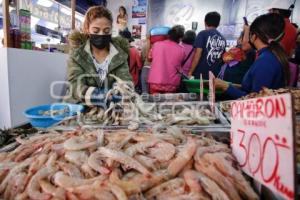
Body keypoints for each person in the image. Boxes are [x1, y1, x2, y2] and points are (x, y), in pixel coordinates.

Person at [64, 6, 131, 106]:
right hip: (80, 109)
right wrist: (100, 96)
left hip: (110, 110)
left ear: (111, 29)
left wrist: (120, 93)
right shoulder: (77, 55)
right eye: (96, 31)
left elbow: (126, 82)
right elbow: (75, 85)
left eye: (106, 31)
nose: (101, 34)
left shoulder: (119, 55)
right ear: (87, 29)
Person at [215, 13, 290, 99]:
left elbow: (255, 101)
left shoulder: (265, 61)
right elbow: (250, 89)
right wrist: (226, 84)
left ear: (254, 36)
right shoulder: (269, 56)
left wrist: (226, 87)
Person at [148, 25, 186, 94]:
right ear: (180, 38)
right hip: (172, 83)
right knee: (168, 104)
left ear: (168, 35)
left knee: (154, 103)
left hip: (155, 81)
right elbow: (181, 62)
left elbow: (149, 58)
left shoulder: (156, 45)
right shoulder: (181, 49)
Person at [188, 11, 226, 79]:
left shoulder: (202, 34)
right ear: (218, 23)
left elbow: (197, 54)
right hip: (215, 75)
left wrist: (190, 72)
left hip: (200, 74)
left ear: (205, 22)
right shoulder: (223, 39)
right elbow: (223, 58)